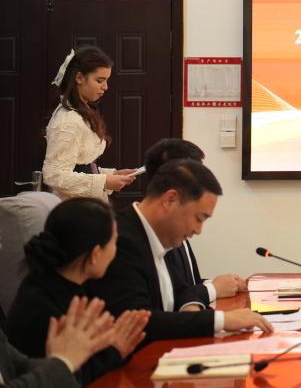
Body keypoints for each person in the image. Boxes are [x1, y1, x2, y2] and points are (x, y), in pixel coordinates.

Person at [88, 158, 272, 343]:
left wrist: (192, 307)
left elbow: (183, 290)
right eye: (199, 218)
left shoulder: (157, 234)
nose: (198, 231)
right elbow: (140, 322)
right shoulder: (120, 239)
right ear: (170, 200)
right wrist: (222, 320)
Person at [6, 198, 149, 384]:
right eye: (114, 242)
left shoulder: (62, 283)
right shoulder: (43, 309)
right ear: (95, 254)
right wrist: (114, 351)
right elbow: (68, 374)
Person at [0, 225, 125, 387]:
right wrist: (64, 362)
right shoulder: (40, 304)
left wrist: (66, 361)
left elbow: (20, 366)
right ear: (95, 252)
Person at [142, 139, 246, 307]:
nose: (198, 231)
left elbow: (184, 287)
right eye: (196, 173)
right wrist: (213, 289)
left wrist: (221, 284)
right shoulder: (155, 235)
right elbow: (164, 306)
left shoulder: (175, 229)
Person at [42, 46, 135, 201]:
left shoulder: (81, 113)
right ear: (79, 78)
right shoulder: (68, 121)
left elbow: (81, 165)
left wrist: (111, 175)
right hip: (74, 205)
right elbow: (55, 175)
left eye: (106, 80)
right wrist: (104, 181)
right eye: (99, 80)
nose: (105, 87)